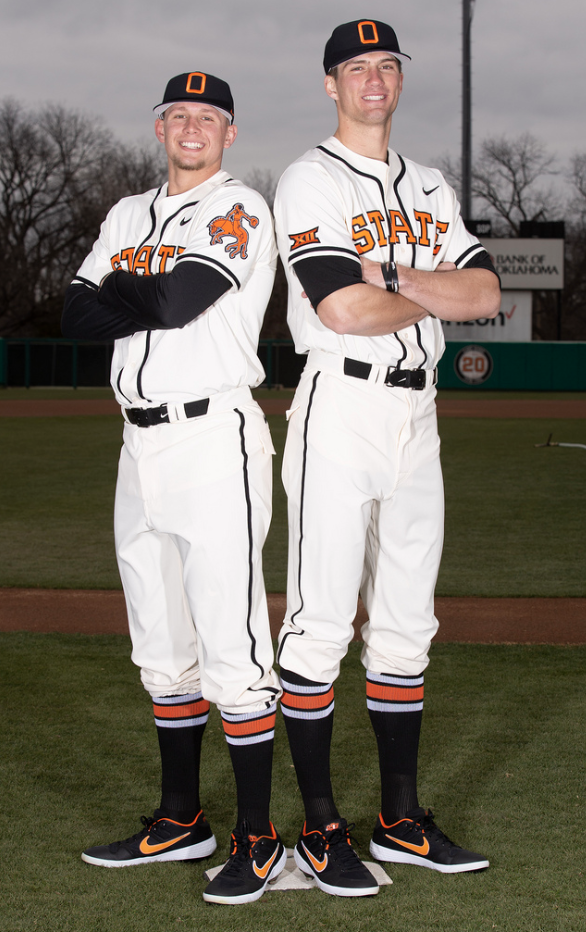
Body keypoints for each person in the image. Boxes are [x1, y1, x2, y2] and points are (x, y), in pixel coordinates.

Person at [273, 20, 501, 897]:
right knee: (323, 621)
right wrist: (420, 287)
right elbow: (340, 311)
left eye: (387, 65)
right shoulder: (310, 177)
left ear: (400, 80)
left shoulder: (430, 183)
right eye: (356, 67)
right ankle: (320, 826)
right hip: (342, 404)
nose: (374, 79)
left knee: (407, 622)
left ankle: (399, 819)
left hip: (419, 412)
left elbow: (483, 293)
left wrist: (394, 275)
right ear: (331, 84)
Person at [62, 71, 286, 906]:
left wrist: (124, 293)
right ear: (159, 129)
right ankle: (179, 817)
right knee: (159, 641)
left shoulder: (243, 206)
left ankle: (258, 836)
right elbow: (73, 315)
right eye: (178, 116)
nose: (193, 128)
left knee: (231, 645)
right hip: (139, 444)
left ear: (229, 134)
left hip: (211, 436)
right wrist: (138, 298)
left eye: (209, 118)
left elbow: (181, 297)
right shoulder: (126, 213)